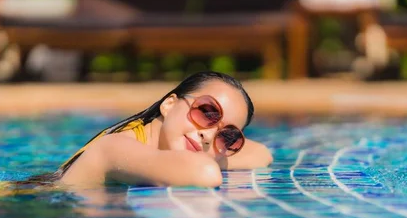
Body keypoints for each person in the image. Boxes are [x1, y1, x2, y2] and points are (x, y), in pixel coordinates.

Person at [55, 71, 272, 188]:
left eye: (228, 136)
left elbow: (261, 153)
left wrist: (216, 154)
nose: (208, 135)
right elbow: (205, 174)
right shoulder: (115, 147)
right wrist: (213, 158)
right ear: (169, 105)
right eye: (207, 112)